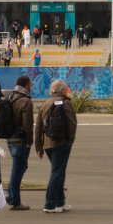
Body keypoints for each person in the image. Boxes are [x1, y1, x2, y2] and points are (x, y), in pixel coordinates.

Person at [34, 79, 77, 213]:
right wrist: (70, 140)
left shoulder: (44, 105)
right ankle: (50, 204)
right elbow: (72, 123)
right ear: (62, 91)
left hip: (47, 143)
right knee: (57, 173)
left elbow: (38, 128)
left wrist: (39, 147)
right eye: (66, 88)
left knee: (58, 171)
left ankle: (60, 201)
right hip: (62, 142)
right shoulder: (65, 103)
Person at [3, 76, 34, 211]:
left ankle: (11, 193)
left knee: (21, 166)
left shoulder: (11, 97)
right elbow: (27, 124)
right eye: (30, 84)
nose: (32, 86)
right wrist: (29, 140)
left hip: (10, 138)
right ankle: (14, 200)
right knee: (18, 169)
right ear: (27, 85)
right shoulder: (25, 101)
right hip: (20, 140)